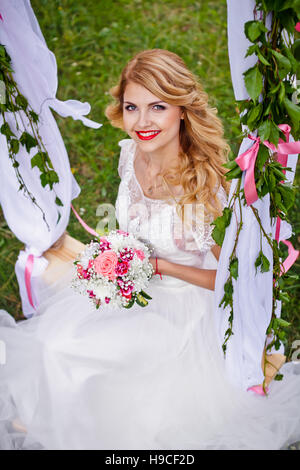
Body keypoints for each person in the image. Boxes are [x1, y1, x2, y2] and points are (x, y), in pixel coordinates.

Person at [0, 49, 300, 450]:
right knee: (54, 341)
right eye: (132, 107)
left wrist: (159, 266)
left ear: (182, 110)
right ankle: (63, 420)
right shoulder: (133, 155)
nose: (142, 122)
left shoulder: (204, 187)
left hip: (183, 308)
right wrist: (118, 257)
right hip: (133, 286)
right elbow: (133, 224)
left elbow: (228, 279)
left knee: (87, 357)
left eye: (157, 107)